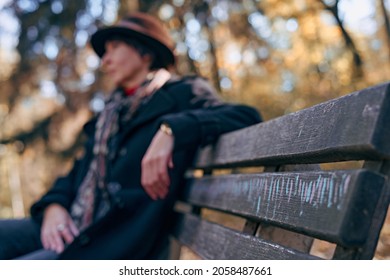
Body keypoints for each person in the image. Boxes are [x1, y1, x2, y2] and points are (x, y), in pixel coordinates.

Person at [0, 12, 261, 260]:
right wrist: (53, 208)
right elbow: (76, 174)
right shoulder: (110, 115)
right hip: (71, 223)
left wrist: (170, 130)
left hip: (108, 242)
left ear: (145, 52)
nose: (105, 61)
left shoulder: (183, 93)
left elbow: (244, 116)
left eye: (114, 48)